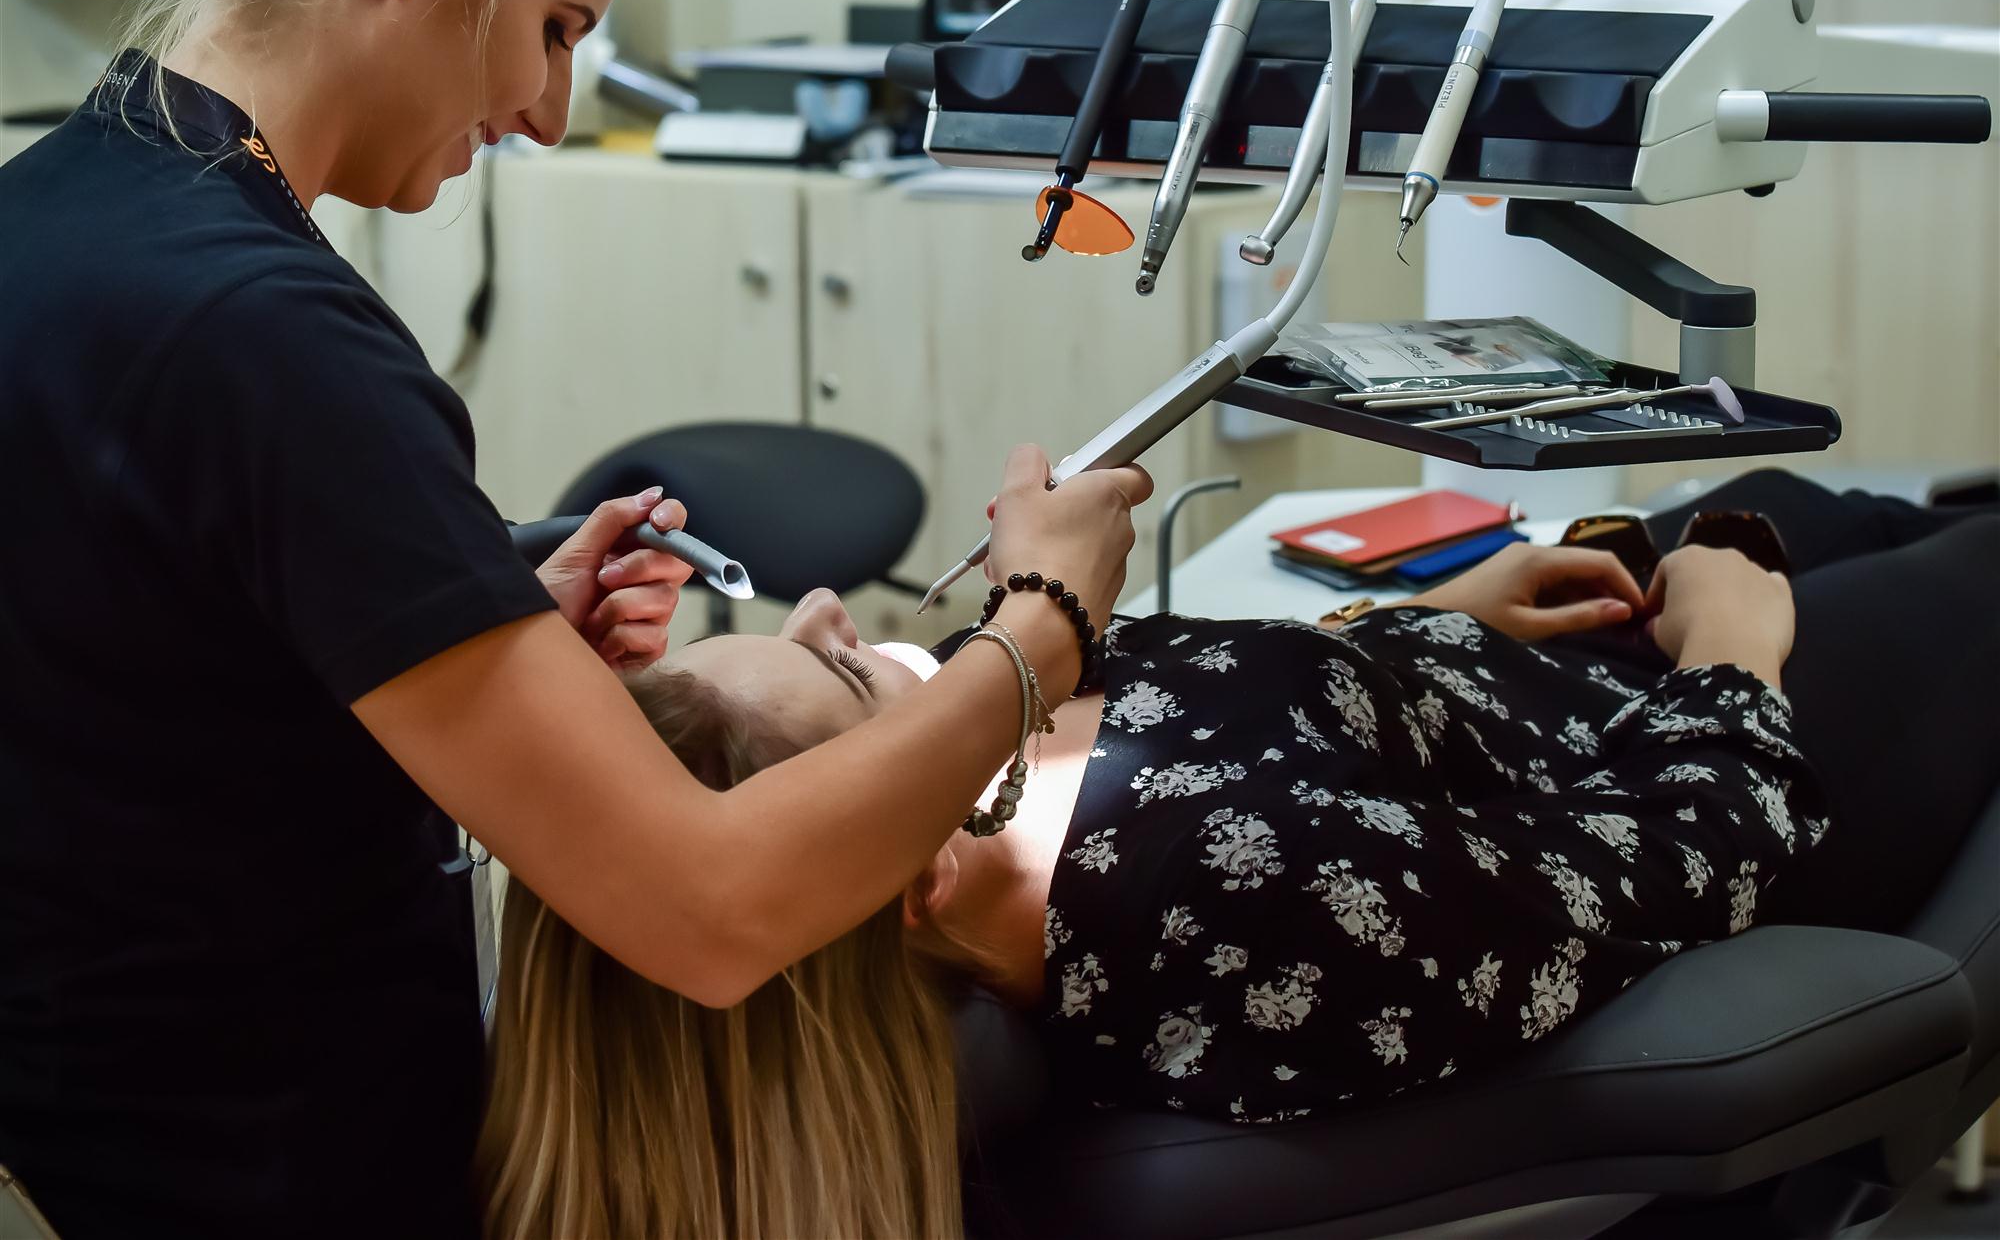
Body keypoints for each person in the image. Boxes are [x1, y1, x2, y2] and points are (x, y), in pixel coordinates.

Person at [0, 0, 1148, 1237]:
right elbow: (714, 906)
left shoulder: (52, 219)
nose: (544, 110)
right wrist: (1033, 635)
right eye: (554, 28)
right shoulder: (270, 339)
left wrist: (478, 626)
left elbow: (141, 708)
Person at [475, 471, 2000, 1240]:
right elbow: (1674, 856)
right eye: (847, 672)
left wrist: (1444, 620)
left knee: (1811, 502)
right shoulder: (1233, 904)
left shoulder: (980, 773)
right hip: (1736, 761)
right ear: (908, 865)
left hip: (1530, 675)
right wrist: (1738, 641)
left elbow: (1247, 718)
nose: (823, 603)